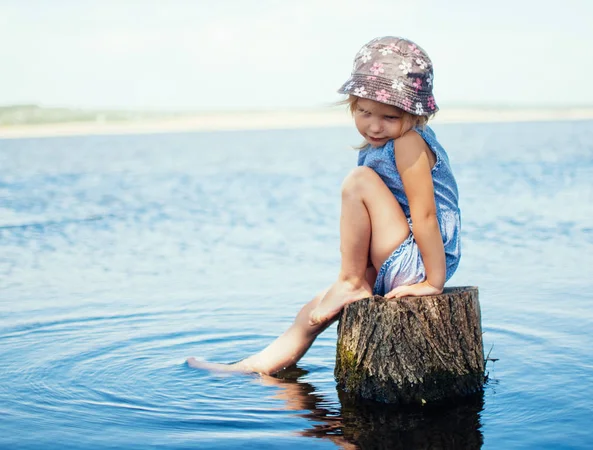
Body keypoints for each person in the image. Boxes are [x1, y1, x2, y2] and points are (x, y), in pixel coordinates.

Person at [187, 36, 461, 375]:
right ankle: (256, 365)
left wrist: (434, 280)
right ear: (352, 105)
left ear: (414, 113)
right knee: (314, 309)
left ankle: (350, 281)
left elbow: (426, 214)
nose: (374, 125)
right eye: (364, 112)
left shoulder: (409, 142)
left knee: (358, 181)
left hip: (422, 257)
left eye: (389, 116)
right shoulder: (380, 144)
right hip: (398, 253)